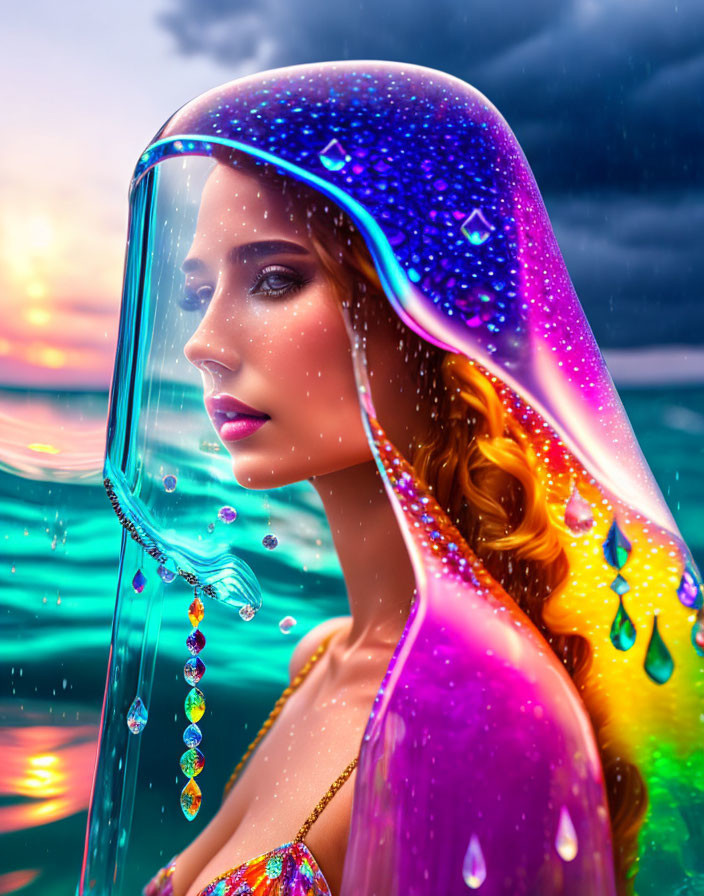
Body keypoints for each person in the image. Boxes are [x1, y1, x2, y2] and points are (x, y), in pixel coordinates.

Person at [80, 61, 704, 896]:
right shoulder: (321, 661)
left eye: (274, 277)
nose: (203, 340)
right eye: (198, 292)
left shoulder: (480, 720)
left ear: (420, 301)